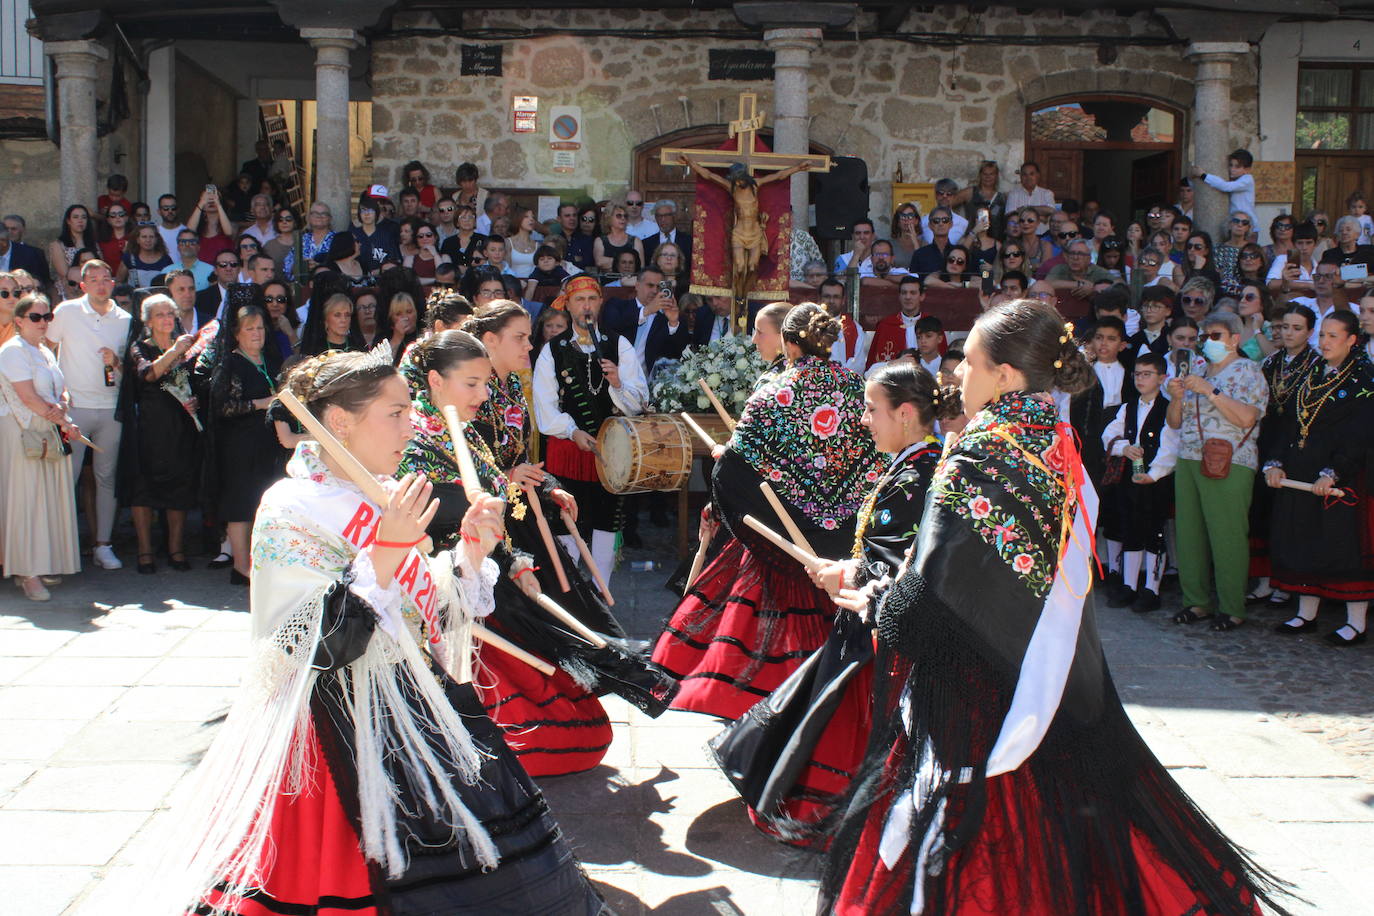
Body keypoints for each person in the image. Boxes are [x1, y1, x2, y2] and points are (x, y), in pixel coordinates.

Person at [819, 298, 1286, 916]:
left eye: (970, 361)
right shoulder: (1051, 435)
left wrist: (874, 598)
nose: (956, 372)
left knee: (986, 829)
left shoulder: (983, 450)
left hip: (981, 677)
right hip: (1046, 659)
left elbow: (931, 595)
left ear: (1006, 375)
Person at [145, 347, 607, 915]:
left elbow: (422, 613)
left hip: (415, 698)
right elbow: (309, 641)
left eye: (410, 410)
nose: (410, 425)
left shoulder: (383, 494)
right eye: (395, 413)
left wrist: (468, 556)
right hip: (336, 721)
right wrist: (386, 552)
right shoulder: (292, 507)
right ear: (340, 422)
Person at [713, 362, 954, 843]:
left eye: (871, 410)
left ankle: (849, 817)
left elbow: (901, 564)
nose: (863, 421)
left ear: (905, 414)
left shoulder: (917, 474)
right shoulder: (912, 464)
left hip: (880, 631)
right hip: (867, 618)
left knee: (848, 724)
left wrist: (844, 572)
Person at [653, 303, 879, 719]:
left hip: (780, 525)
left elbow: (736, 464)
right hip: (840, 532)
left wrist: (724, 465)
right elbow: (873, 452)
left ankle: (751, 685)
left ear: (790, 344)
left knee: (758, 607)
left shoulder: (778, 390)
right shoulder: (855, 386)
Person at [1264, 310, 1374, 645]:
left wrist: (1335, 471)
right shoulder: (1311, 371)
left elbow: (1361, 432)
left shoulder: (1364, 378)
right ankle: (1305, 613)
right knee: (1302, 538)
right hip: (1300, 469)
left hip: (1341, 475)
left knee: (1342, 546)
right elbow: (1291, 421)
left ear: (1352, 340)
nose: (1324, 342)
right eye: (1322, 335)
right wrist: (1276, 460)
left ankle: (1355, 622)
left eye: (1332, 336)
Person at [532, 275, 649, 576]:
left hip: (611, 454)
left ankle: (602, 591)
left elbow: (639, 403)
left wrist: (618, 383)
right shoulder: (552, 350)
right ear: (568, 306)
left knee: (606, 522)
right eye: (579, 300)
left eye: (592, 299)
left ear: (600, 303)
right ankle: (573, 596)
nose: (586, 306)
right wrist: (572, 431)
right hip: (568, 450)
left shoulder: (619, 345)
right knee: (565, 522)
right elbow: (545, 408)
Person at [1166, 311, 1269, 631]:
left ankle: (1232, 606)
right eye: (1205, 336)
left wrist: (1211, 391)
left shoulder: (1249, 371)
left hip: (1231, 460)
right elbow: (1175, 422)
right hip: (1189, 457)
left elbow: (1247, 418)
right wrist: (1175, 397)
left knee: (1227, 536)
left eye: (1215, 336)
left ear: (1235, 340)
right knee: (1189, 534)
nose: (1207, 342)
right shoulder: (1195, 369)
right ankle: (1195, 602)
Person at [48, 260, 130, 570]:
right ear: (83, 285)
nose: (100, 283)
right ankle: (58, 546)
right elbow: (47, 346)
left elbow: (130, 367)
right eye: (93, 279)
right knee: (65, 478)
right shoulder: (67, 311)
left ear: (112, 282)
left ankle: (103, 545)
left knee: (106, 478)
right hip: (75, 407)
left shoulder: (125, 318)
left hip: (111, 407)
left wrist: (117, 360)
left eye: (105, 278)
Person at [0, 293, 81, 600]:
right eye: (36, 317)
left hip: (47, 428)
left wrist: (63, 405)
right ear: (19, 321)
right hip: (22, 430)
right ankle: (26, 572)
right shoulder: (13, 351)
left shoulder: (44, 351)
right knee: (25, 500)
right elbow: (28, 397)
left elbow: (58, 389)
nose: (43, 322)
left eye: (47, 317)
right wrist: (63, 421)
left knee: (46, 499)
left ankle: (41, 563)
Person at [205, 304, 287, 584]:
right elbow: (220, 406)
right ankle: (241, 567)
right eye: (250, 328)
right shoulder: (231, 362)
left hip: (268, 444)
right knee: (240, 505)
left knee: (262, 503)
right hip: (239, 445)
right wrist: (259, 404)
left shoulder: (268, 360)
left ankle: (261, 564)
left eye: (260, 328)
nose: (256, 333)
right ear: (237, 334)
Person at [118, 294, 199, 575]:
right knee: (144, 489)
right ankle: (145, 551)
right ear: (148, 320)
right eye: (160, 315)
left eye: (170, 314)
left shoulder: (187, 348)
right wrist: (174, 350)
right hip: (149, 427)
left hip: (179, 426)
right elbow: (149, 374)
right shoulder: (141, 347)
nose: (166, 319)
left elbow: (196, 382)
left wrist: (196, 400)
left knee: (179, 485)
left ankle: (176, 549)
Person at [1247, 304, 1320, 611]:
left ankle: (1288, 583)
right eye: (1283, 327)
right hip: (1268, 438)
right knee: (1262, 513)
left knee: (1289, 516)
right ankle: (1265, 579)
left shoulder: (1316, 363)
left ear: (1309, 332)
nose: (1288, 333)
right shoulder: (1272, 360)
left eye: (1296, 328)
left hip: (1298, 443)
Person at [1100, 352, 1179, 612]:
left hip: (1156, 482)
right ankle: (1129, 585)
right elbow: (1110, 432)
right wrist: (1123, 448)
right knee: (1131, 529)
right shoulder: (1129, 407)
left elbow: (1170, 446)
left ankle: (1151, 589)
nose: (1140, 379)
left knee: (1154, 532)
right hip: (1131, 480)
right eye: (1137, 374)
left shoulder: (1167, 408)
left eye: (1147, 374)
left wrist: (1154, 474)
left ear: (1161, 378)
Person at [1192, 148, 1256, 227]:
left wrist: (1203, 175)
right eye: (1231, 165)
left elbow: (1225, 186)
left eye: (1237, 167)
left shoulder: (1247, 179)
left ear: (1247, 169)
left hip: (1247, 225)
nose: (1232, 169)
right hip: (1236, 222)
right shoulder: (1237, 180)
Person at [300, 292, 363, 356]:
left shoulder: (358, 347)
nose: (343, 320)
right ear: (326, 320)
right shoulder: (315, 350)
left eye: (347, 315)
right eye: (337, 315)